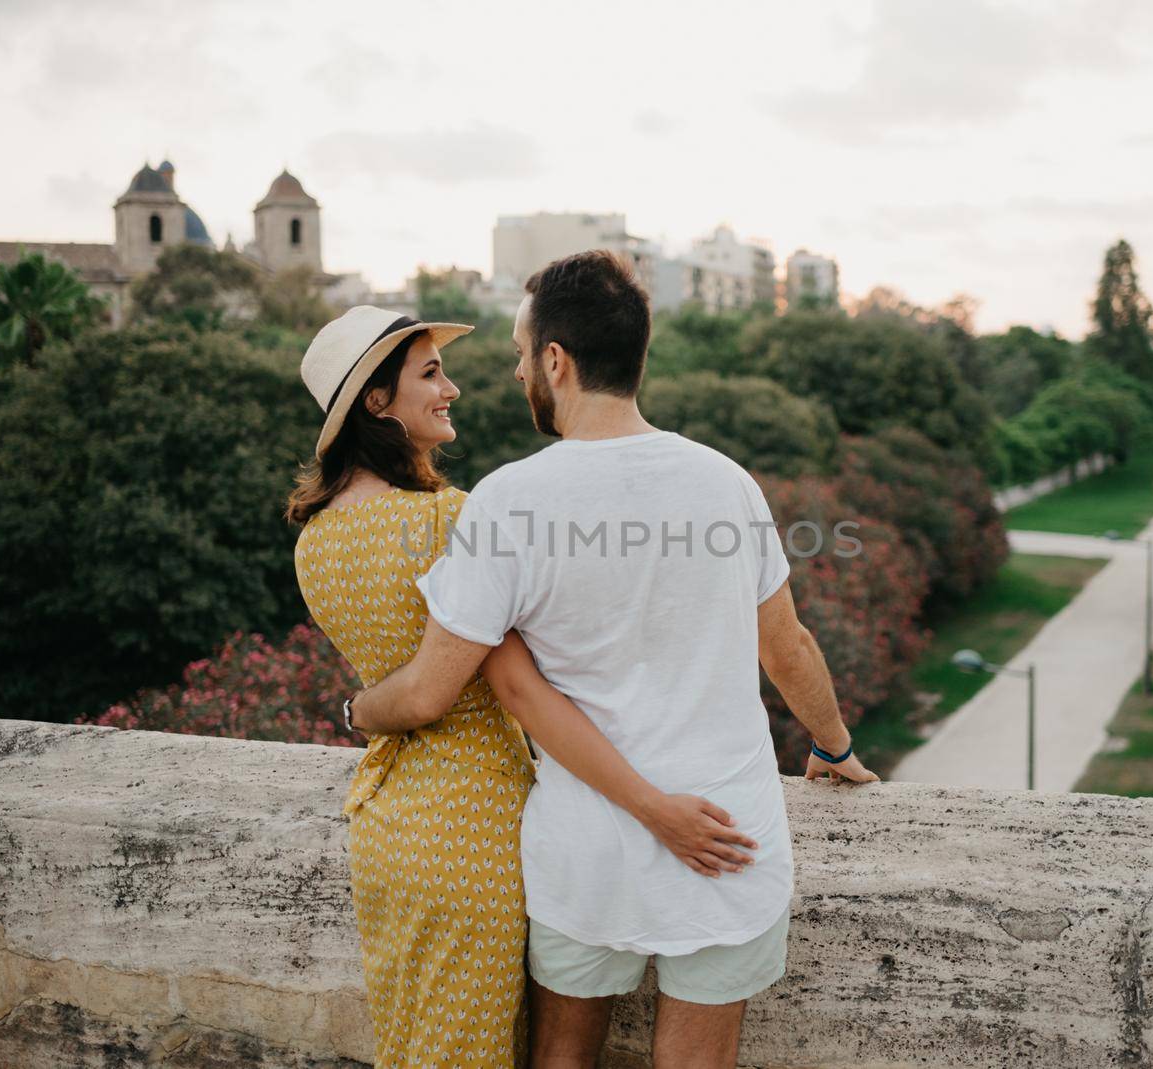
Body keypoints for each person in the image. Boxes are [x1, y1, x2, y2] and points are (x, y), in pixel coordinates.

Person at [346, 252, 879, 1069]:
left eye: (525, 354)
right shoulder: (726, 483)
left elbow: (427, 693)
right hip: (726, 840)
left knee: (562, 1058)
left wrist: (356, 711)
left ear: (556, 360)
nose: (519, 369)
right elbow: (788, 647)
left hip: (587, 854)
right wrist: (834, 743)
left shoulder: (509, 502)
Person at [287, 306, 752, 1068]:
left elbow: (393, 680)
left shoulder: (314, 540)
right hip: (473, 818)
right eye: (430, 373)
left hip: (387, 823)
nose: (454, 388)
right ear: (376, 403)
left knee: (420, 1044)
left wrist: (355, 709)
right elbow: (479, 685)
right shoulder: (451, 519)